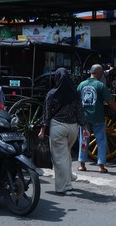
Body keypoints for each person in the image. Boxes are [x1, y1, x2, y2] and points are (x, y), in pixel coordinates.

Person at [38, 68, 88, 196]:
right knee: (66, 154)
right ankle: (69, 176)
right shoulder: (76, 94)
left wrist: (43, 130)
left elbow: (46, 114)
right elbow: (80, 112)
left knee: (60, 158)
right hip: (73, 129)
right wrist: (85, 128)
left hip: (58, 127)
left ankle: (65, 187)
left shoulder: (52, 94)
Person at [77, 64, 116, 173]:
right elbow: (111, 103)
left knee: (84, 141)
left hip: (84, 120)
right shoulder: (100, 86)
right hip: (97, 119)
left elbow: (76, 102)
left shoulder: (81, 85)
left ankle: (81, 164)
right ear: (99, 73)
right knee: (101, 141)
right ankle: (101, 166)